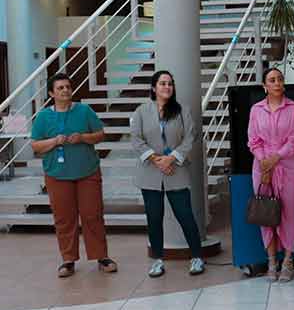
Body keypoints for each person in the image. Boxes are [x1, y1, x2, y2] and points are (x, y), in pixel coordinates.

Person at [30, 73, 117, 278]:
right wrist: (54, 142)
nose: (65, 90)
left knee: (92, 214)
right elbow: (35, 145)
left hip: (87, 172)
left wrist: (83, 137)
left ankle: (101, 257)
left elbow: (100, 134)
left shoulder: (84, 110)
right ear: (51, 93)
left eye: (67, 87)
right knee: (64, 218)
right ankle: (68, 260)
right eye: (60, 88)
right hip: (57, 174)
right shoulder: (43, 117)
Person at [130, 71, 205, 277]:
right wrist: (156, 159)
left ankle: (197, 257)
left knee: (186, 216)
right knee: (154, 218)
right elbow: (136, 139)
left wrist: (171, 158)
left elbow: (190, 137)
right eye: (162, 83)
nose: (167, 87)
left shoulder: (182, 111)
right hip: (150, 174)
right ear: (154, 88)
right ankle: (157, 260)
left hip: (176, 170)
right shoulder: (141, 111)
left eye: (170, 83)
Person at [248, 67, 294, 282]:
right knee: (266, 214)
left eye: (280, 79)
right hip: (262, 169)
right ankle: (271, 260)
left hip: (287, 168)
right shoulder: (256, 110)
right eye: (272, 80)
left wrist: (277, 156)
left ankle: (288, 260)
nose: (277, 83)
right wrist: (265, 160)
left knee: (288, 215)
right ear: (265, 85)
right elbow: (253, 140)